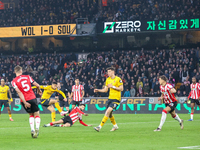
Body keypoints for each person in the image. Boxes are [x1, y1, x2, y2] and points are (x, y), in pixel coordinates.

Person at [12, 65, 42, 138]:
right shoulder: (27, 77)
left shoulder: (13, 81)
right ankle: (37, 128)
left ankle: (32, 129)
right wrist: (39, 90)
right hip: (32, 97)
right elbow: (37, 85)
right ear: (21, 71)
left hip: (24, 100)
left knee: (31, 114)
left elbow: (19, 92)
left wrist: (25, 102)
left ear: (14, 72)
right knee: (37, 114)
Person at [93, 67, 123, 132]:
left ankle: (99, 127)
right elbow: (105, 90)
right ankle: (115, 126)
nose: (108, 73)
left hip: (116, 99)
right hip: (110, 99)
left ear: (113, 72)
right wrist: (98, 90)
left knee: (107, 111)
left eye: (109, 71)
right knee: (110, 114)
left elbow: (121, 88)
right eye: (107, 72)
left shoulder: (118, 79)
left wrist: (113, 86)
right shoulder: (108, 80)